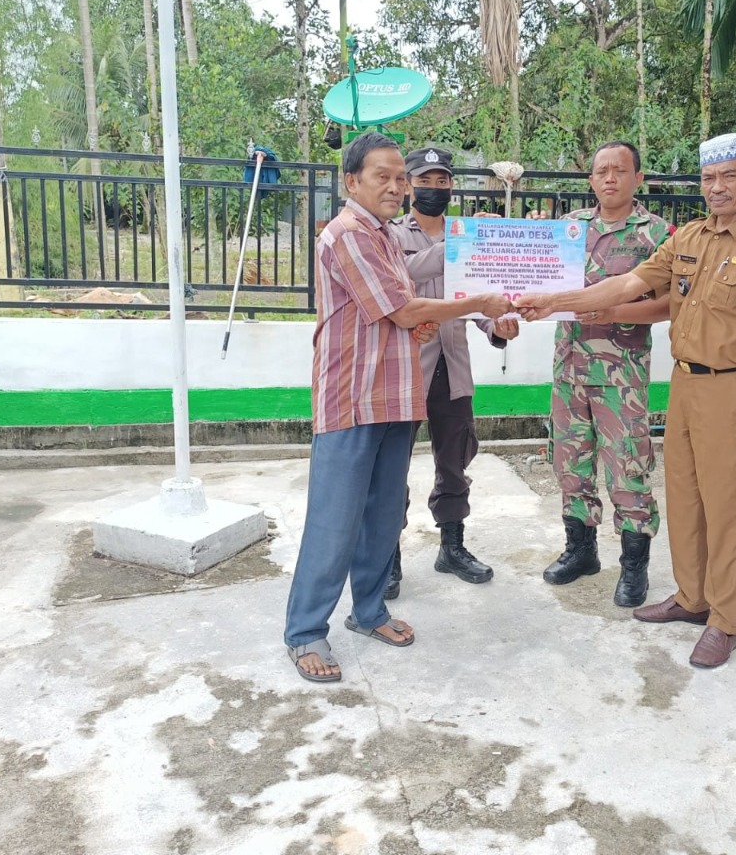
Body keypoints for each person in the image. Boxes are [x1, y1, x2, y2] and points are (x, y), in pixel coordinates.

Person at [517, 132, 736, 668]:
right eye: (708, 178)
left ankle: (726, 620)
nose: (717, 187)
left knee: (727, 509)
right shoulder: (690, 236)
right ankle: (693, 598)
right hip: (685, 384)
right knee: (685, 498)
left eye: (729, 176)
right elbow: (629, 283)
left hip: (735, 388)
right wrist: (556, 301)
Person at [284, 132, 511, 684]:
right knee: (335, 520)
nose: (395, 186)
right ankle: (306, 630)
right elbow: (402, 309)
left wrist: (430, 319)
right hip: (353, 397)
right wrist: (476, 302)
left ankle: (368, 612)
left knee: (383, 515)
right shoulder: (347, 234)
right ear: (351, 181)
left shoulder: (384, 235)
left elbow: (402, 313)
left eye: (398, 178)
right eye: (382, 176)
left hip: (397, 394)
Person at [537, 141, 672, 609]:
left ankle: (634, 567)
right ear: (591, 179)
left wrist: (617, 311)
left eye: (620, 170)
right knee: (570, 463)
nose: (610, 178)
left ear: (639, 178)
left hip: (621, 376)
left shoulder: (657, 234)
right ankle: (581, 550)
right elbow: (533, 272)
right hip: (569, 368)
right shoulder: (570, 228)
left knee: (627, 468)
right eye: (601, 171)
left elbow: (672, 303)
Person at [383, 147, 521, 597]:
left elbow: (477, 297)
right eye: (425, 180)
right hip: (405, 371)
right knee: (392, 467)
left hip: (453, 367)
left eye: (442, 181)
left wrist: (496, 326)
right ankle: (386, 556)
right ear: (409, 185)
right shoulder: (390, 233)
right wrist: (458, 246)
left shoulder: (465, 235)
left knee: (455, 461)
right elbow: (400, 276)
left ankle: (452, 547)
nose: (434, 188)